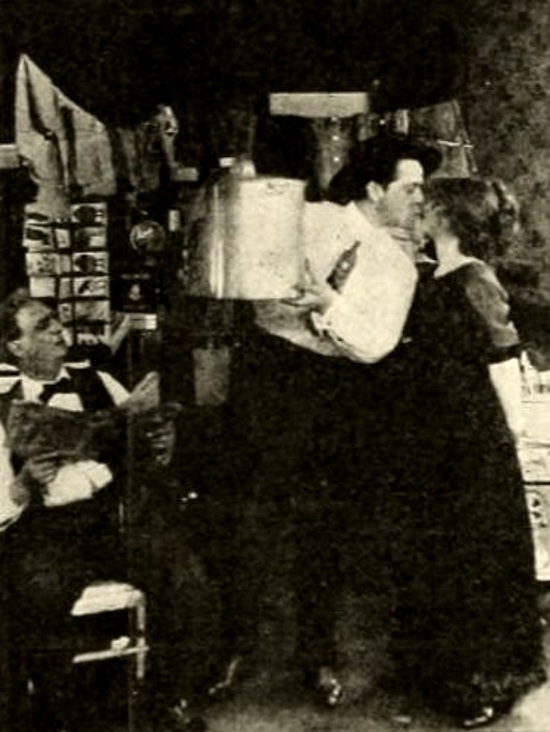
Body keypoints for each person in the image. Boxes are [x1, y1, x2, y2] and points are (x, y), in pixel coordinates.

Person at [220, 133, 441, 706]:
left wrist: (326, 304)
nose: (421, 198)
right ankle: (233, 648)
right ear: (374, 188)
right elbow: (252, 282)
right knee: (248, 518)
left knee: (323, 531)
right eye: (411, 187)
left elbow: (374, 344)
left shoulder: (397, 267)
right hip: (267, 380)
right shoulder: (307, 219)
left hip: (336, 396)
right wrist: (276, 294)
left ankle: (316, 656)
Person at [388, 178, 546, 727]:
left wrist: (515, 430)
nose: (418, 211)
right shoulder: (434, 274)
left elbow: (503, 359)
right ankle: (436, 669)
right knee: (436, 552)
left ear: (448, 217)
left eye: (426, 206)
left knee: (473, 556)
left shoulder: (476, 277)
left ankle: (484, 681)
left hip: (472, 437)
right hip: (433, 434)